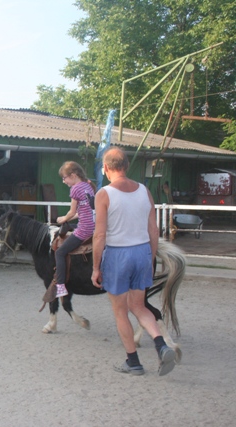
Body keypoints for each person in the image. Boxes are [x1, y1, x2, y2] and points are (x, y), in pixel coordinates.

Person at [91, 147, 176, 376]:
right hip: (142, 252)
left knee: (121, 312)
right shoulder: (144, 191)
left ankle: (133, 362)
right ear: (127, 166)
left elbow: (99, 235)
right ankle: (161, 345)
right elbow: (154, 230)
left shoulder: (104, 194)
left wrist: (96, 267)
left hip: (117, 255)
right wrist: (150, 258)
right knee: (139, 306)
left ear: (106, 167)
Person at [53, 161, 96, 298]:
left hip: (85, 229)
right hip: (94, 226)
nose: (63, 181)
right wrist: (68, 218)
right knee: (71, 228)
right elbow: (84, 210)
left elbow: (72, 212)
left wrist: (63, 219)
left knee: (60, 252)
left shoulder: (75, 189)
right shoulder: (88, 186)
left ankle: (60, 285)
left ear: (73, 175)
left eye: (64, 178)